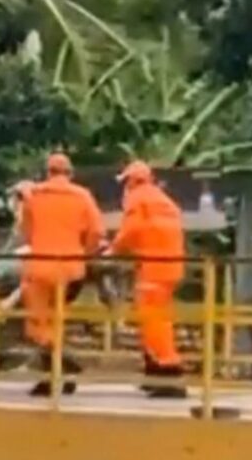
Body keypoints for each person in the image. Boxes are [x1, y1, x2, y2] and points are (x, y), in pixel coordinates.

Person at [21, 153, 104, 396]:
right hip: (71, 270)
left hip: (40, 268)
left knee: (39, 323)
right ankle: (60, 372)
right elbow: (97, 232)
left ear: (47, 172)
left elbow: (26, 231)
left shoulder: (34, 196)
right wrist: (84, 253)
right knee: (57, 320)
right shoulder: (82, 196)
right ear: (70, 173)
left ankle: (60, 368)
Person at [106, 160, 187, 399]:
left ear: (132, 181)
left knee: (153, 321)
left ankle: (168, 372)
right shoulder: (163, 200)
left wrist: (113, 250)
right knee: (159, 317)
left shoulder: (138, 199)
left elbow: (130, 231)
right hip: (171, 268)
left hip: (153, 268)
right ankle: (155, 372)